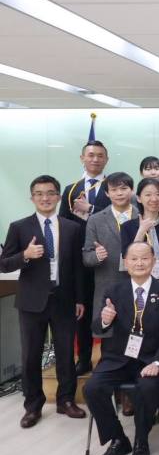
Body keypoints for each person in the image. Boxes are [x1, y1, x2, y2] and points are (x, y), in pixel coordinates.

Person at [83, 242, 159, 455]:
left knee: (147, 386)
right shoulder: (114, 291)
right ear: (126, 263)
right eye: (134, 259)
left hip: (152, 359)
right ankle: (118, 439)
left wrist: (158, 362)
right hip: (119, 358)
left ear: (153, 262)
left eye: (145, 258)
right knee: (92, 388)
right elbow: (97, 327)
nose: (139, 263)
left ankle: (141, 440)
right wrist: (105, 320)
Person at [0, 175, 86, 428]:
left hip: (64, 299)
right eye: (39, 193)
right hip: (31, 302)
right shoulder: (19, 227)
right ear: (32, 198)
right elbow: (4, 264)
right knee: (30, 356)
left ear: (58, 197)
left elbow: (78, 268)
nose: (45, 198)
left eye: (50, 193)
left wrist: (80, 299)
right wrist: (25, 255)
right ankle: (32, 406)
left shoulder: (72, 228)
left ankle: (66, 400)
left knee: (65, 354)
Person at [59, 139, 112, 374]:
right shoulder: (71, 189)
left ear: (106, 159)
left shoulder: (114, 187)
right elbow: (63, 224)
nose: (95, 159)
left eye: (100, 155)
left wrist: (90, 209)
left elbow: (118, 216)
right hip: (79, 260)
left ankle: (108, 358)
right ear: (82, 158)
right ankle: (84, 358)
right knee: (81, 308)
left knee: (107, 307)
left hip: (108, 258)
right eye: (91, 155)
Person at [83, 172, 139, 321]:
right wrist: (96, 256)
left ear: (132, 190)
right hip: (108, 287)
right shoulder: (95, 220)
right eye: (114, 190)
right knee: (107, 331)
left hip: (139, 285)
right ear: (107, 193)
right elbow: (86, 257)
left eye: (124, 188)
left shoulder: (143, 216)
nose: (119, 193)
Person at [120, 178, 159, 287]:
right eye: (148, 195)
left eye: (158, 194)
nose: (154, 199)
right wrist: (141, 232)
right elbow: (125, 263)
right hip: (138, 283)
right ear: (139, 198)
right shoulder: (127, 227)